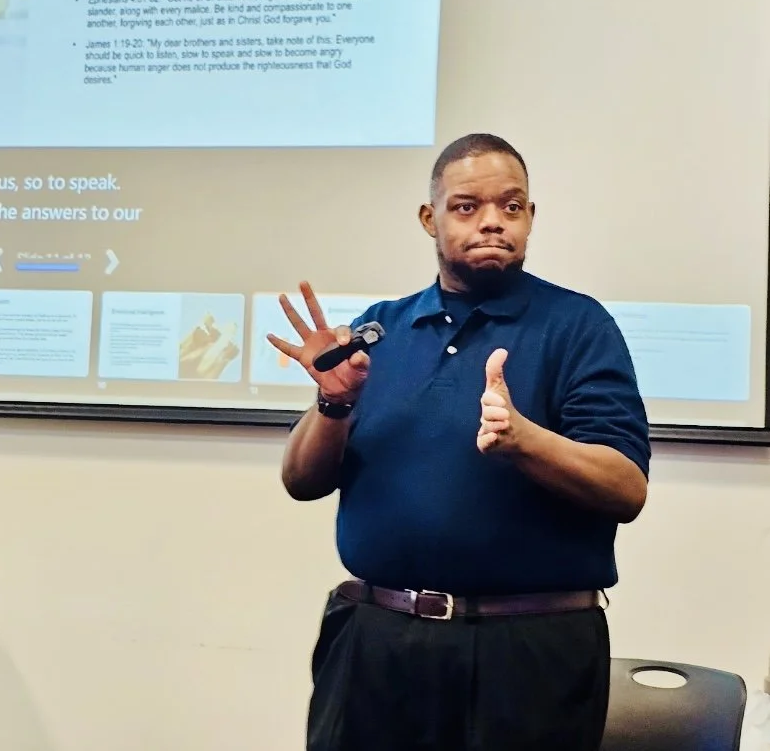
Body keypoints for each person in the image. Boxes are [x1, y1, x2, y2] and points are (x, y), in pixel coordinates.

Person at [267, 133, 651, 751]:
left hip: (528, 652)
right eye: (467, 206)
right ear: (431, 218)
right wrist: (334, 402)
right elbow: (301, 481)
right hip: (375, 644)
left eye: (512, 206)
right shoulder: (380, 330)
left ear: (530, 217)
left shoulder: (579, 326)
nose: (493, 222)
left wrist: (524, 441)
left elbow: (625, 487)